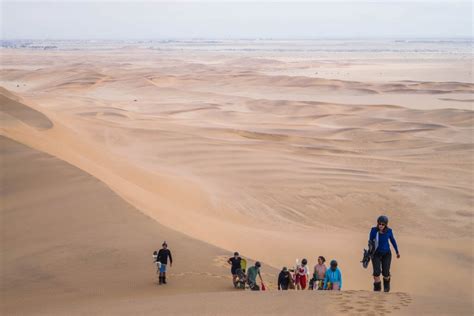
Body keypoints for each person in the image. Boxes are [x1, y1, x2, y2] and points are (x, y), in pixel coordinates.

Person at [369, 215, 400, 292]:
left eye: (383, 224)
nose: (381, 226)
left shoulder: (389, 231)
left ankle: (386, 289)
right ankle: (377, 290)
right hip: (376, 254)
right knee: (376, 272)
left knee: (385, 273)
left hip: (386, 254)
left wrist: (397, 251)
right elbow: (370, 242)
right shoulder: (373, 231)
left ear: (386, 224)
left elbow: (393, 241)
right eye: (379, 224)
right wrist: (369, 252)